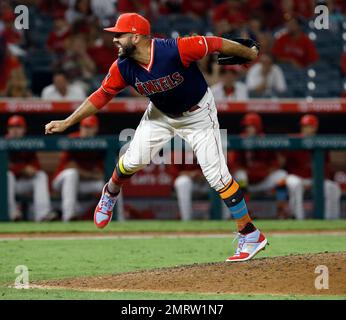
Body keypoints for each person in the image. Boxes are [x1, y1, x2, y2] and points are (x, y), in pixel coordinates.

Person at [45, 13, 267, 262]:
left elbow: (213, 42)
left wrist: (248, 54)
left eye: (120, 34)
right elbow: (100, 96)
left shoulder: (175, 49)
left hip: (198, 115)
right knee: (130, 162)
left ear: (136, 36)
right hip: (160, 114)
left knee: (217, 176)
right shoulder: (122, 67)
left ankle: (250, 234)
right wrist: (67, 122)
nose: (115, 40)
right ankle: (110, 191)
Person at [229, 113, 288, 218]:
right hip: (245, 184)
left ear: (258, 126)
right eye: (246, 126)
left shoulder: (265, 140)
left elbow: (275, 163)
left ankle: (281, 210)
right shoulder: (240, 139)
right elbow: (234, 164)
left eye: (251, 126)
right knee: (241, 175)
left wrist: (267, 171)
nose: (248, 129)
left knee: (282, 175)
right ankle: (246, 212)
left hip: (263, 179)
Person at [284, 114, 341, 219]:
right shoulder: (293, 141)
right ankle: (298, 219)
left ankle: (330, 221)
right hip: (298, 177)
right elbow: (285, 164)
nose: (306, 129)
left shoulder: (321, 142)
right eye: (304, 126)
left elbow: (326, 165)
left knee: (333, 187)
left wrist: (318, 181)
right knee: (295, 184)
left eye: (309, 126)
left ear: (315, 128)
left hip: (316, 179)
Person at [52, 115, 107, 221]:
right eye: (84, 127)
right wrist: (90, 175)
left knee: (109, 185)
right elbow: (69, 167)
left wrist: (87, 174)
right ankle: (69, 216)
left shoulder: (100, 143)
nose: (86, 130)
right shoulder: (72, 140)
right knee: (72, 174)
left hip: (83, 183)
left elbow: (101, 172)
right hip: (62, 181)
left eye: (89, 127)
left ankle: (118, 216)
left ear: (96, 129)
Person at [6, 115, 56, 221]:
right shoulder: (3, 142)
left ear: (24, 129)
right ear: (8, 129)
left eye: (18, 127)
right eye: (11, 127)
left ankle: (43, 215)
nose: (14, 130)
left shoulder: (28, 143)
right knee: (7, 175)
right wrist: (21, 168)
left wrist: (31, 170)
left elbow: (36, 166)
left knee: (40, 175)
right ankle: (12, 213)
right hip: (5, 186)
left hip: (22, 183)